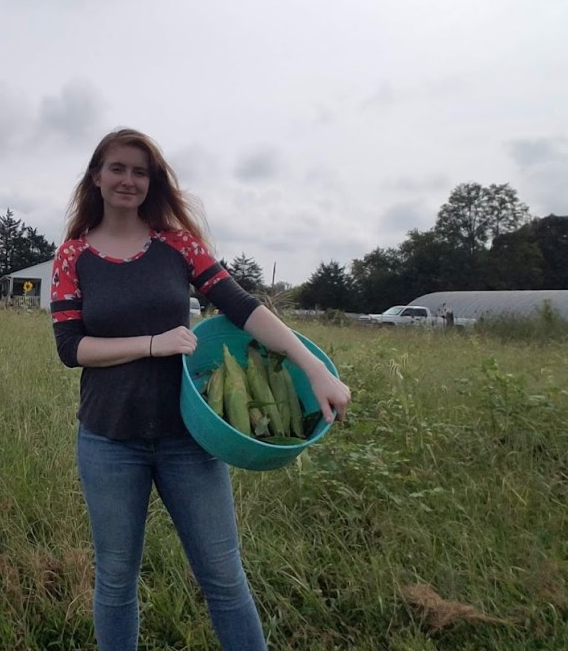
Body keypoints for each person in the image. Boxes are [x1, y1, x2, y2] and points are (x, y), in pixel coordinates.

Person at [49, 127, 352, 650]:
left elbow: (244, 307)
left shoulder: (176, 245)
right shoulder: (72, 257)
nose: (128, 179)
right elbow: (70, 348)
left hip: (189, 438)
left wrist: (314, 367)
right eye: (117, 168)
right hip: (108, 439)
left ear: (152, 181)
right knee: (116, 581)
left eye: (140, 171)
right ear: (96, 177)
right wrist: (152, 343)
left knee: (223, 577)